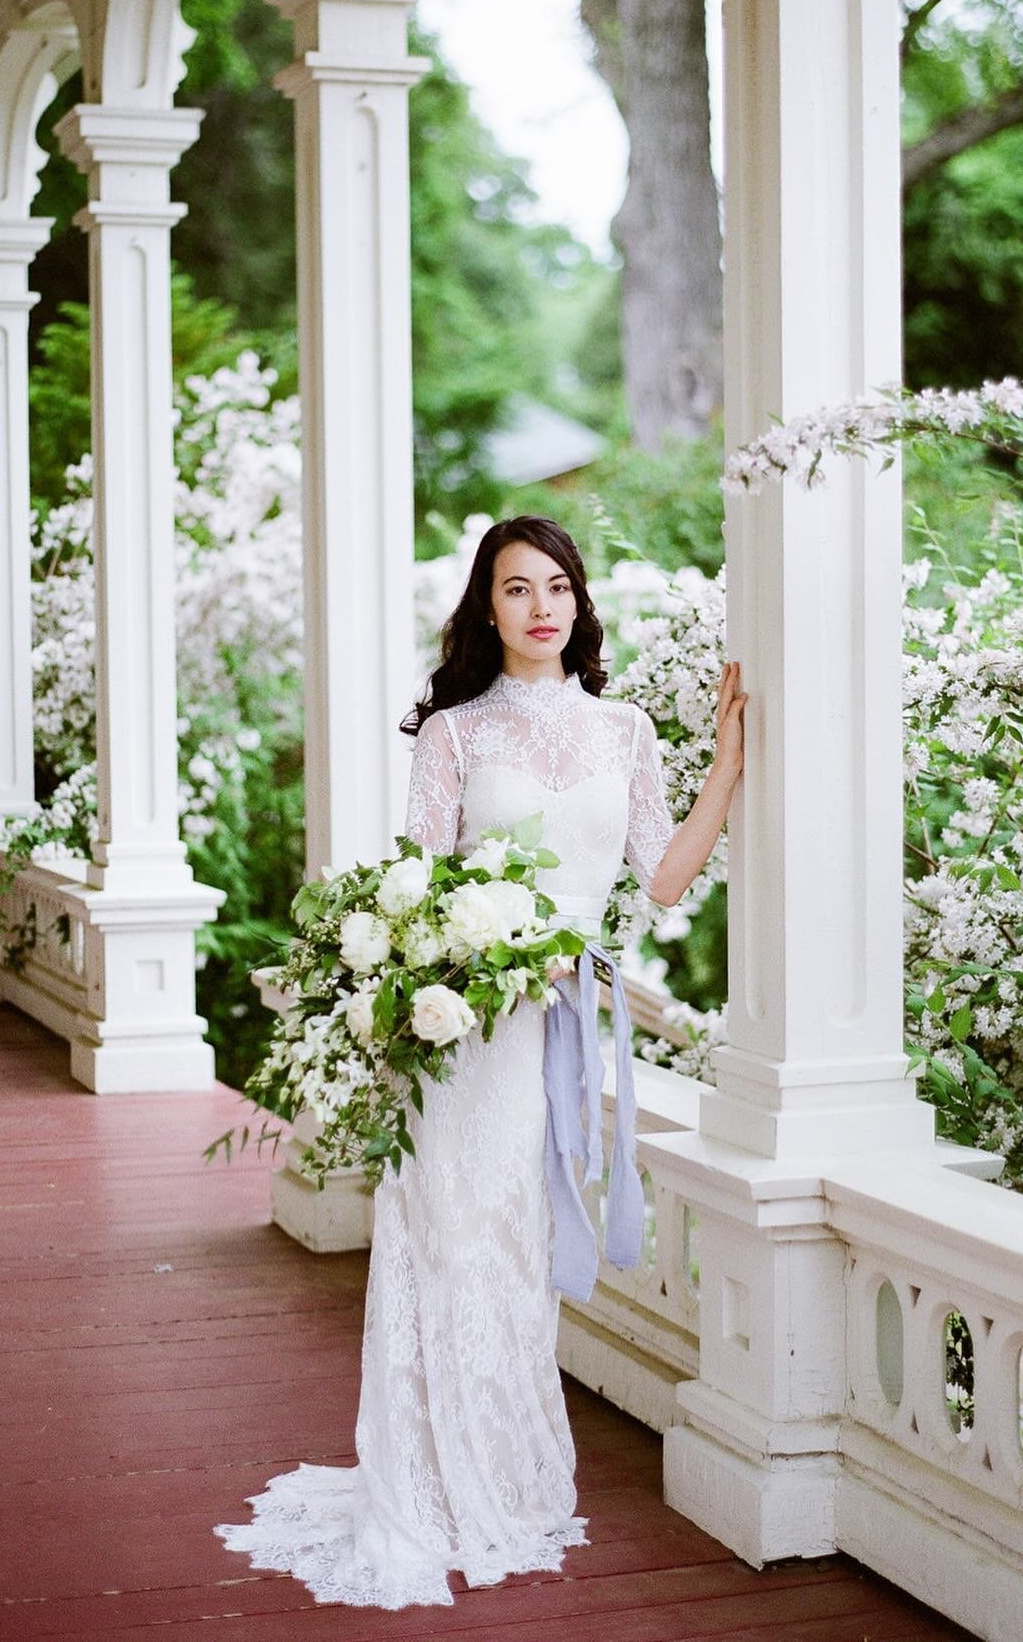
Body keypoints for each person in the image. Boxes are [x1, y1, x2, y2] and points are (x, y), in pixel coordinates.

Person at [216, 515, 745, 1609]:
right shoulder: (454, 734)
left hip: (556, 1037)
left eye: (558, 586)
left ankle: (502, 1467)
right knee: (453, 1239)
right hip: (467, 1037)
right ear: (485, 608)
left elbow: (658, 879)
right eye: (516, 589)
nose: (541, 606)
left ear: (579, 603)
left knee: (518, 1239)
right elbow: (417, 890)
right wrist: (487, 959)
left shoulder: (628, 729)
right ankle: (428, 1478)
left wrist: (728, 767)